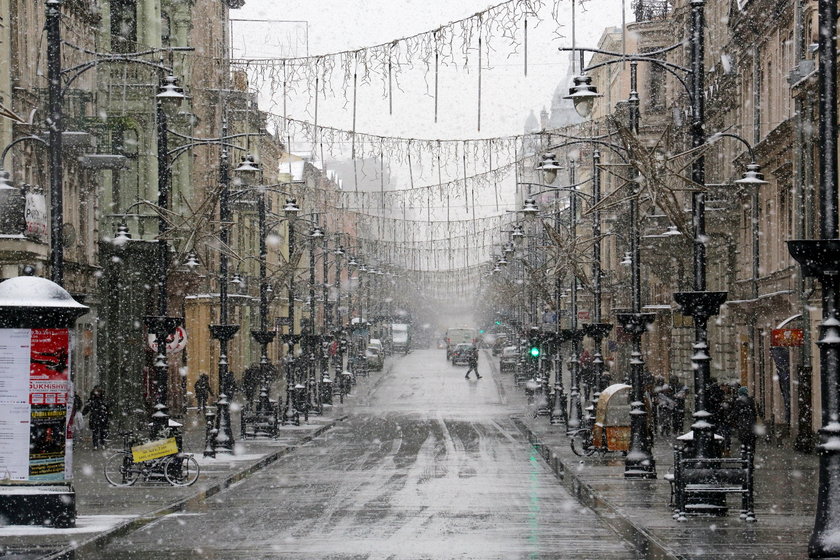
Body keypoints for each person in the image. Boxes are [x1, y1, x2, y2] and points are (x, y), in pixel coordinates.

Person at [731, 386, 758, 453]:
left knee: (744, 444)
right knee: (751, 445)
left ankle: (745, 459)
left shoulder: (738, 402)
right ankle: (750, 459)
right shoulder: (752, 401)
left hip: (742, 426)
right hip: (752, 426)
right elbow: (755, 413)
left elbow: (734, 414)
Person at [82, 385, 110, 450]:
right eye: (96, 391)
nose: (97, 393)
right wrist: (83, 414)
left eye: (98, 391)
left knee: (102, 431)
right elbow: (87, 408)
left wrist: (107, 413)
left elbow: (107, 407)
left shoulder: (103, 399)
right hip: (94, 418)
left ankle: (102, 443)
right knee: (95, 432)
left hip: (103, 417)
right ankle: (95, 445)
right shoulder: (92, 400)